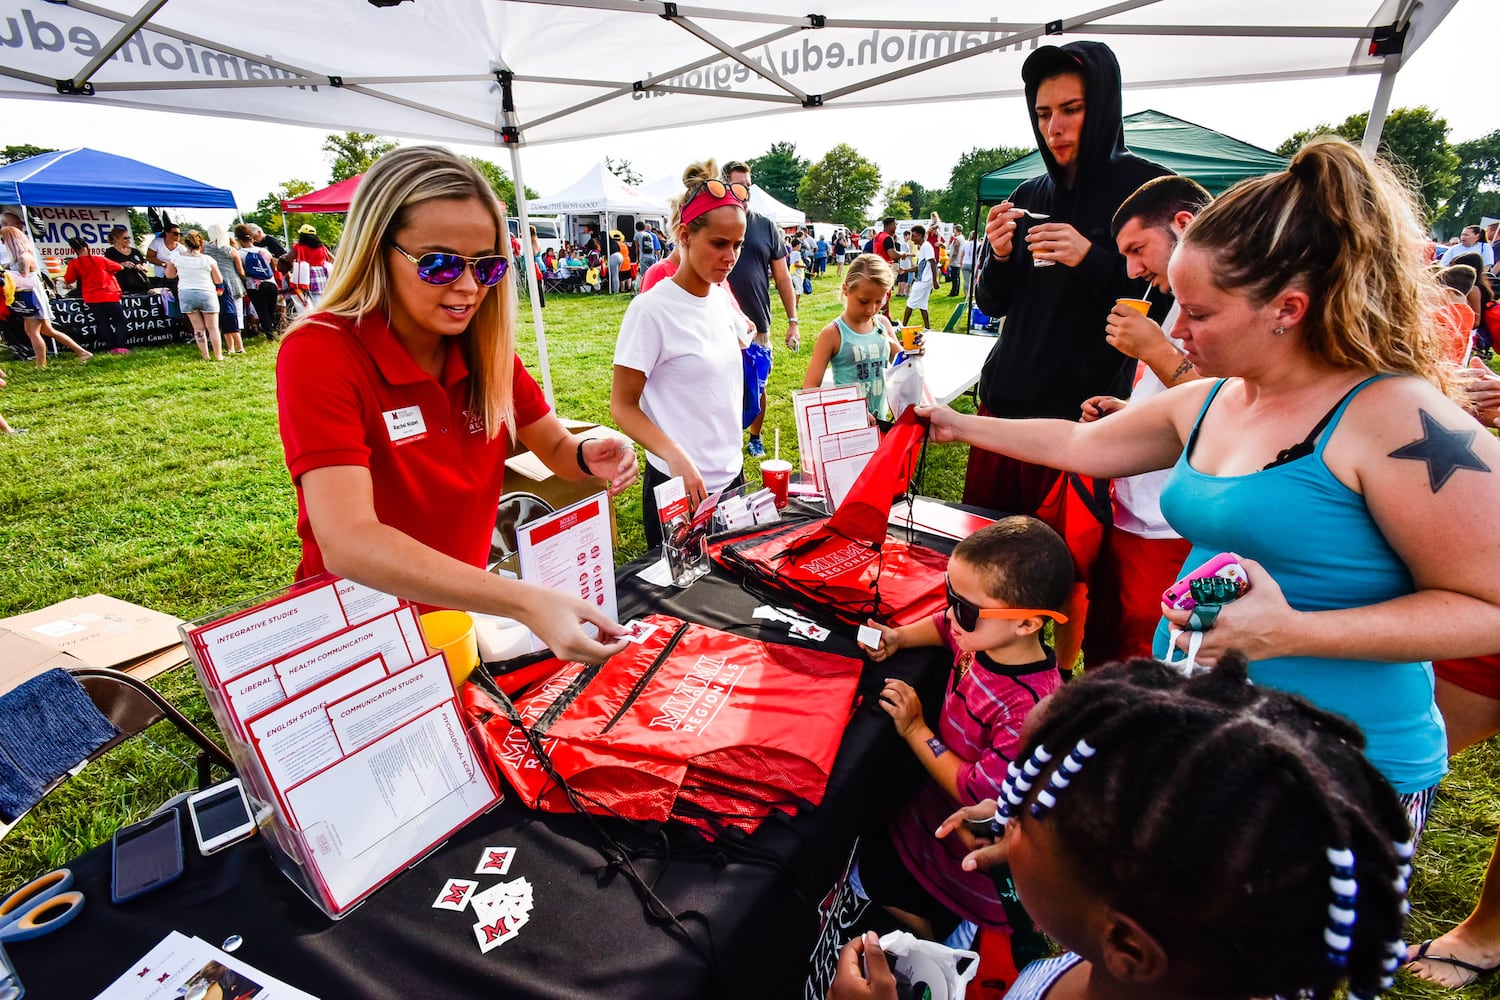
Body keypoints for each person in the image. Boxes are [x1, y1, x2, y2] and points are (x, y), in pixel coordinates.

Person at [917, 138, 1500, 823]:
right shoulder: (1219, 396)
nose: (1177, 330)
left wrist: (1292, 634)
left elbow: (1488, 605)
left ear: (1287, 308)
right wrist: (954, 424)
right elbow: (1081, 443)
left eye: (1199, 314)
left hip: (1338, 778)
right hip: (1211, 736)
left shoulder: (1396, 416)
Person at [831, 652, 1416, 1000]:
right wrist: (1022, 877)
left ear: (1129, 945)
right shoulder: (1149, 958)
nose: (1005, 813)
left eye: (1027, 817)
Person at [276, 145, 636, 663]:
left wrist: (588, 452)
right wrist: (524, 602)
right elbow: (348, 540)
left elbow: (554, 444)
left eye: (486, 267)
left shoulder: (484, 349)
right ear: (377, 250)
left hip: (458, 617)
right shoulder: (321, 351)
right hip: (357, 633)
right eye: (440, 264)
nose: (468, 288)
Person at [966, 41, 1171, 517]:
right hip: (1002, 410)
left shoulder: (1146, 191)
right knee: (980, 555)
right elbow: (993, 304)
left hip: (1078, 425)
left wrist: (1092, 257)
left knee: (1056, 574)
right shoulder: (1028, 191)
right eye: (1042, 114)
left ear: (1101, 107)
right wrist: (997, 256)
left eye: (1071, 110)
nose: (1054, 128)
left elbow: (1164, 303)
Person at [852, 518, 1072, 942]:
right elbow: (943, 628)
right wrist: (900, 638)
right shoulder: (982, 637)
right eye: (949, 595)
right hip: (922, 826)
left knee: (891, 916)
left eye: (967, 610)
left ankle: (946, 937)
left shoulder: (1030, 708)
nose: (952, 615)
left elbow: (977, 792)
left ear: (1027, 623)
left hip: (962, 871)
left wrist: (916, 728)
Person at [1077, 175, 1210, 666]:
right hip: (1132, 507)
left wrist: (1154, 349)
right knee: (1106, 637)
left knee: (1146, 649)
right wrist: (1128, 413)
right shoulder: (1174, 297)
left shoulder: (1217, 305)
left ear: (1183, 224)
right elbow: (1177, 403)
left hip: (1169, 523)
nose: (1132, 269)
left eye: (1138, 249)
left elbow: (1221, 405)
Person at [611, 160, 749, 548]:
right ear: (685, 235)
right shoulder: (651, 310)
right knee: (683, 604)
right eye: (719, 244)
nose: (730, 256)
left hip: (730, 479)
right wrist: (674, 455)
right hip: (678, 486)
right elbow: (622, 405)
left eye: (737, 244)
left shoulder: (721, 298)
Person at [721, 159, 798, 459]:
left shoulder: (765, 226)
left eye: (749, 187)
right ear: (725, 184)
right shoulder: (716, 220)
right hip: (719, 323)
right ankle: (727, 439)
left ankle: (755, 436)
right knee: (721, 385)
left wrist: (793, 321)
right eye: (739, 185)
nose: (746, 192)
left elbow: (782, 277)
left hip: (757, 324)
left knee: (757, 385)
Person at [802, 255, 900, 421]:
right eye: (863, 301)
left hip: (880, 422)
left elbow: (902, 362)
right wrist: (850, 409)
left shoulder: (882, 324)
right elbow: (809, 389)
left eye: (879, 301)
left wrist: (915, 351)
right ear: (846, 288)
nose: (871, 309)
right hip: (848, 427)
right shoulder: (833, 334)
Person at [0, 226, 92, 366]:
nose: (3, 243)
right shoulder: (20, 257)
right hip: (29, 297)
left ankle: (41, 364)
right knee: (47, 330)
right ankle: (82, 352)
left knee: (33, 332)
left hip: (32, 297)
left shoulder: (24, 257)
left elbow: (24, 278)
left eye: (4, 240)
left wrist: (7, 276)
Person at [62, 236, 130, 355]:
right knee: (120, 321)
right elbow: (119, 267)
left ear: (73, 249)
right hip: (109, 294)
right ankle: (121, 347)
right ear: (86, 246)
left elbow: (68, 279)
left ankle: (111, 348)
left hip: (91, 297)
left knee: (102, 322)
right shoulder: (99, 259)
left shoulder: (74, 263)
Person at [168, 230, 225, 361]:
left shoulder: (176, 257)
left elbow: (170, 275)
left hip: (186, 292)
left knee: (198, 328)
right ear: (201, 243)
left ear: (186, 244)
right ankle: (218, 355)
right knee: (213, 327)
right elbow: (219, 280)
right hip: (206, 292)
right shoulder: (208, 259)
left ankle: (205, 355)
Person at [205, 225, 247, 354]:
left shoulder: (206, 249)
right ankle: (239, 343)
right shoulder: (231, 250)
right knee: (237, 314)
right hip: (234, 283)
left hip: (214, 284)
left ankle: (227, 344)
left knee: (220, 314)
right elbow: (240, 271)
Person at [235, 223, 280, 339]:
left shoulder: (240, 254)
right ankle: (272, 329)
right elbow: (273, 267)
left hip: (254, 286)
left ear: (239, 239)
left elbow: (241, 272)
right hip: (271, 283)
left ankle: (269, 334)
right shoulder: (264, 251)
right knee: (271, 309)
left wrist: (245, 280)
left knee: (262, 310)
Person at [900, 223, 935, 329]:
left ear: (920, 235)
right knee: (922, 305)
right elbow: (919, 267)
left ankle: (903, 327)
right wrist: (905, 270)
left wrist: (935, 280)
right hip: (924, 279)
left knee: (910, 303)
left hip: (924, 280)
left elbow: (933, 262)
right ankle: (927, 328)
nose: (912, 238)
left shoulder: (926, 247)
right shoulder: (923, 247)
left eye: (914, 236)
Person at [291, 224, 335, 304]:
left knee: (313, 301)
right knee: (323, 297)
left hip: (306, 274)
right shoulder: (321, 247)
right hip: (322, 274)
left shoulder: (299, 247)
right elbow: (332, 258)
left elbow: (288, 258)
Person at [102, 226, 151, 296]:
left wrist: (141, 267)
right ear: (116, 239)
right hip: (122, 287)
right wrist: (121, 265)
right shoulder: (110, 252)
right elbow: (107, 268)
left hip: (141, 286)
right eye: (125, 238)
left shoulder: (135, 251)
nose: (128, 240)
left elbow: (145, 267)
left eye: (129, 238)